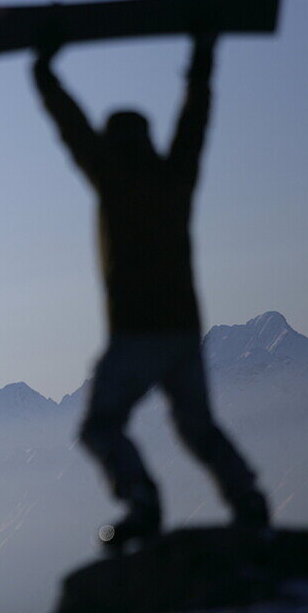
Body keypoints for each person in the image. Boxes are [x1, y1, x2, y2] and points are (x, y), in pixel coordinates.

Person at [31, 33, 270, 554]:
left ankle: (142, 503)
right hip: (183, 329)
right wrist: (202, 56)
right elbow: (195, 120)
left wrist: (45, 72)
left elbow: (71, 128)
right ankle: (248, 500)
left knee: (100, 426)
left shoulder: (110, 178)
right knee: (197, 427)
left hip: (137, 331)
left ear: (113, 141)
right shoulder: (175, 177)